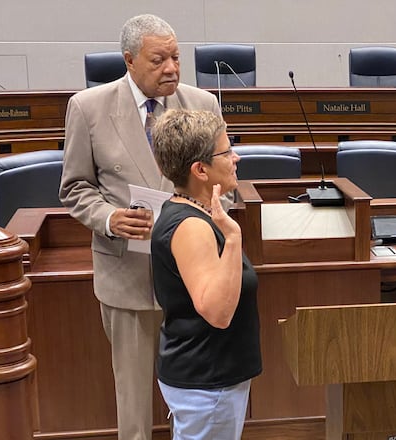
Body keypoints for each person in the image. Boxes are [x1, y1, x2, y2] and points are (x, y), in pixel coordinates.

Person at [59, 14, 222, 440]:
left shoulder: (203, 104)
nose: (171, 68)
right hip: (128, 279)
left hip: (194, 280)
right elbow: (75, 187)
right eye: (158, 59)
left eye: (175, 57)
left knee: (197, 401)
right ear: (129, 60)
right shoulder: (88, 108)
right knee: (134, 408)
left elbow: (223, 181)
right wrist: (110, 218)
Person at [150, 109, 261, 439]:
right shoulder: (191, 227)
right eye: (226, 152)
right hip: (209, 383)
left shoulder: (191, 213)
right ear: (200, 169)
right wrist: (234, 238)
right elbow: (218, 312)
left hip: (208, 378)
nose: (236, 157)